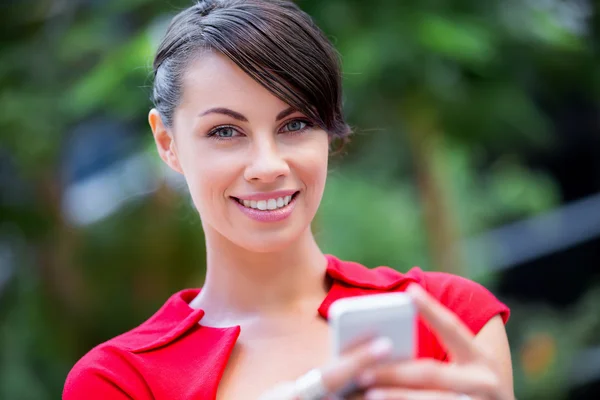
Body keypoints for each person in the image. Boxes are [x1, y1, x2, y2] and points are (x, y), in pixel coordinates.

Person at [63, 0, 514, 399]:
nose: (268, 165)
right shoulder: (118, 381)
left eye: (294, 124)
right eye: (225, 131)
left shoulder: (449, 317)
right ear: (167, 142)